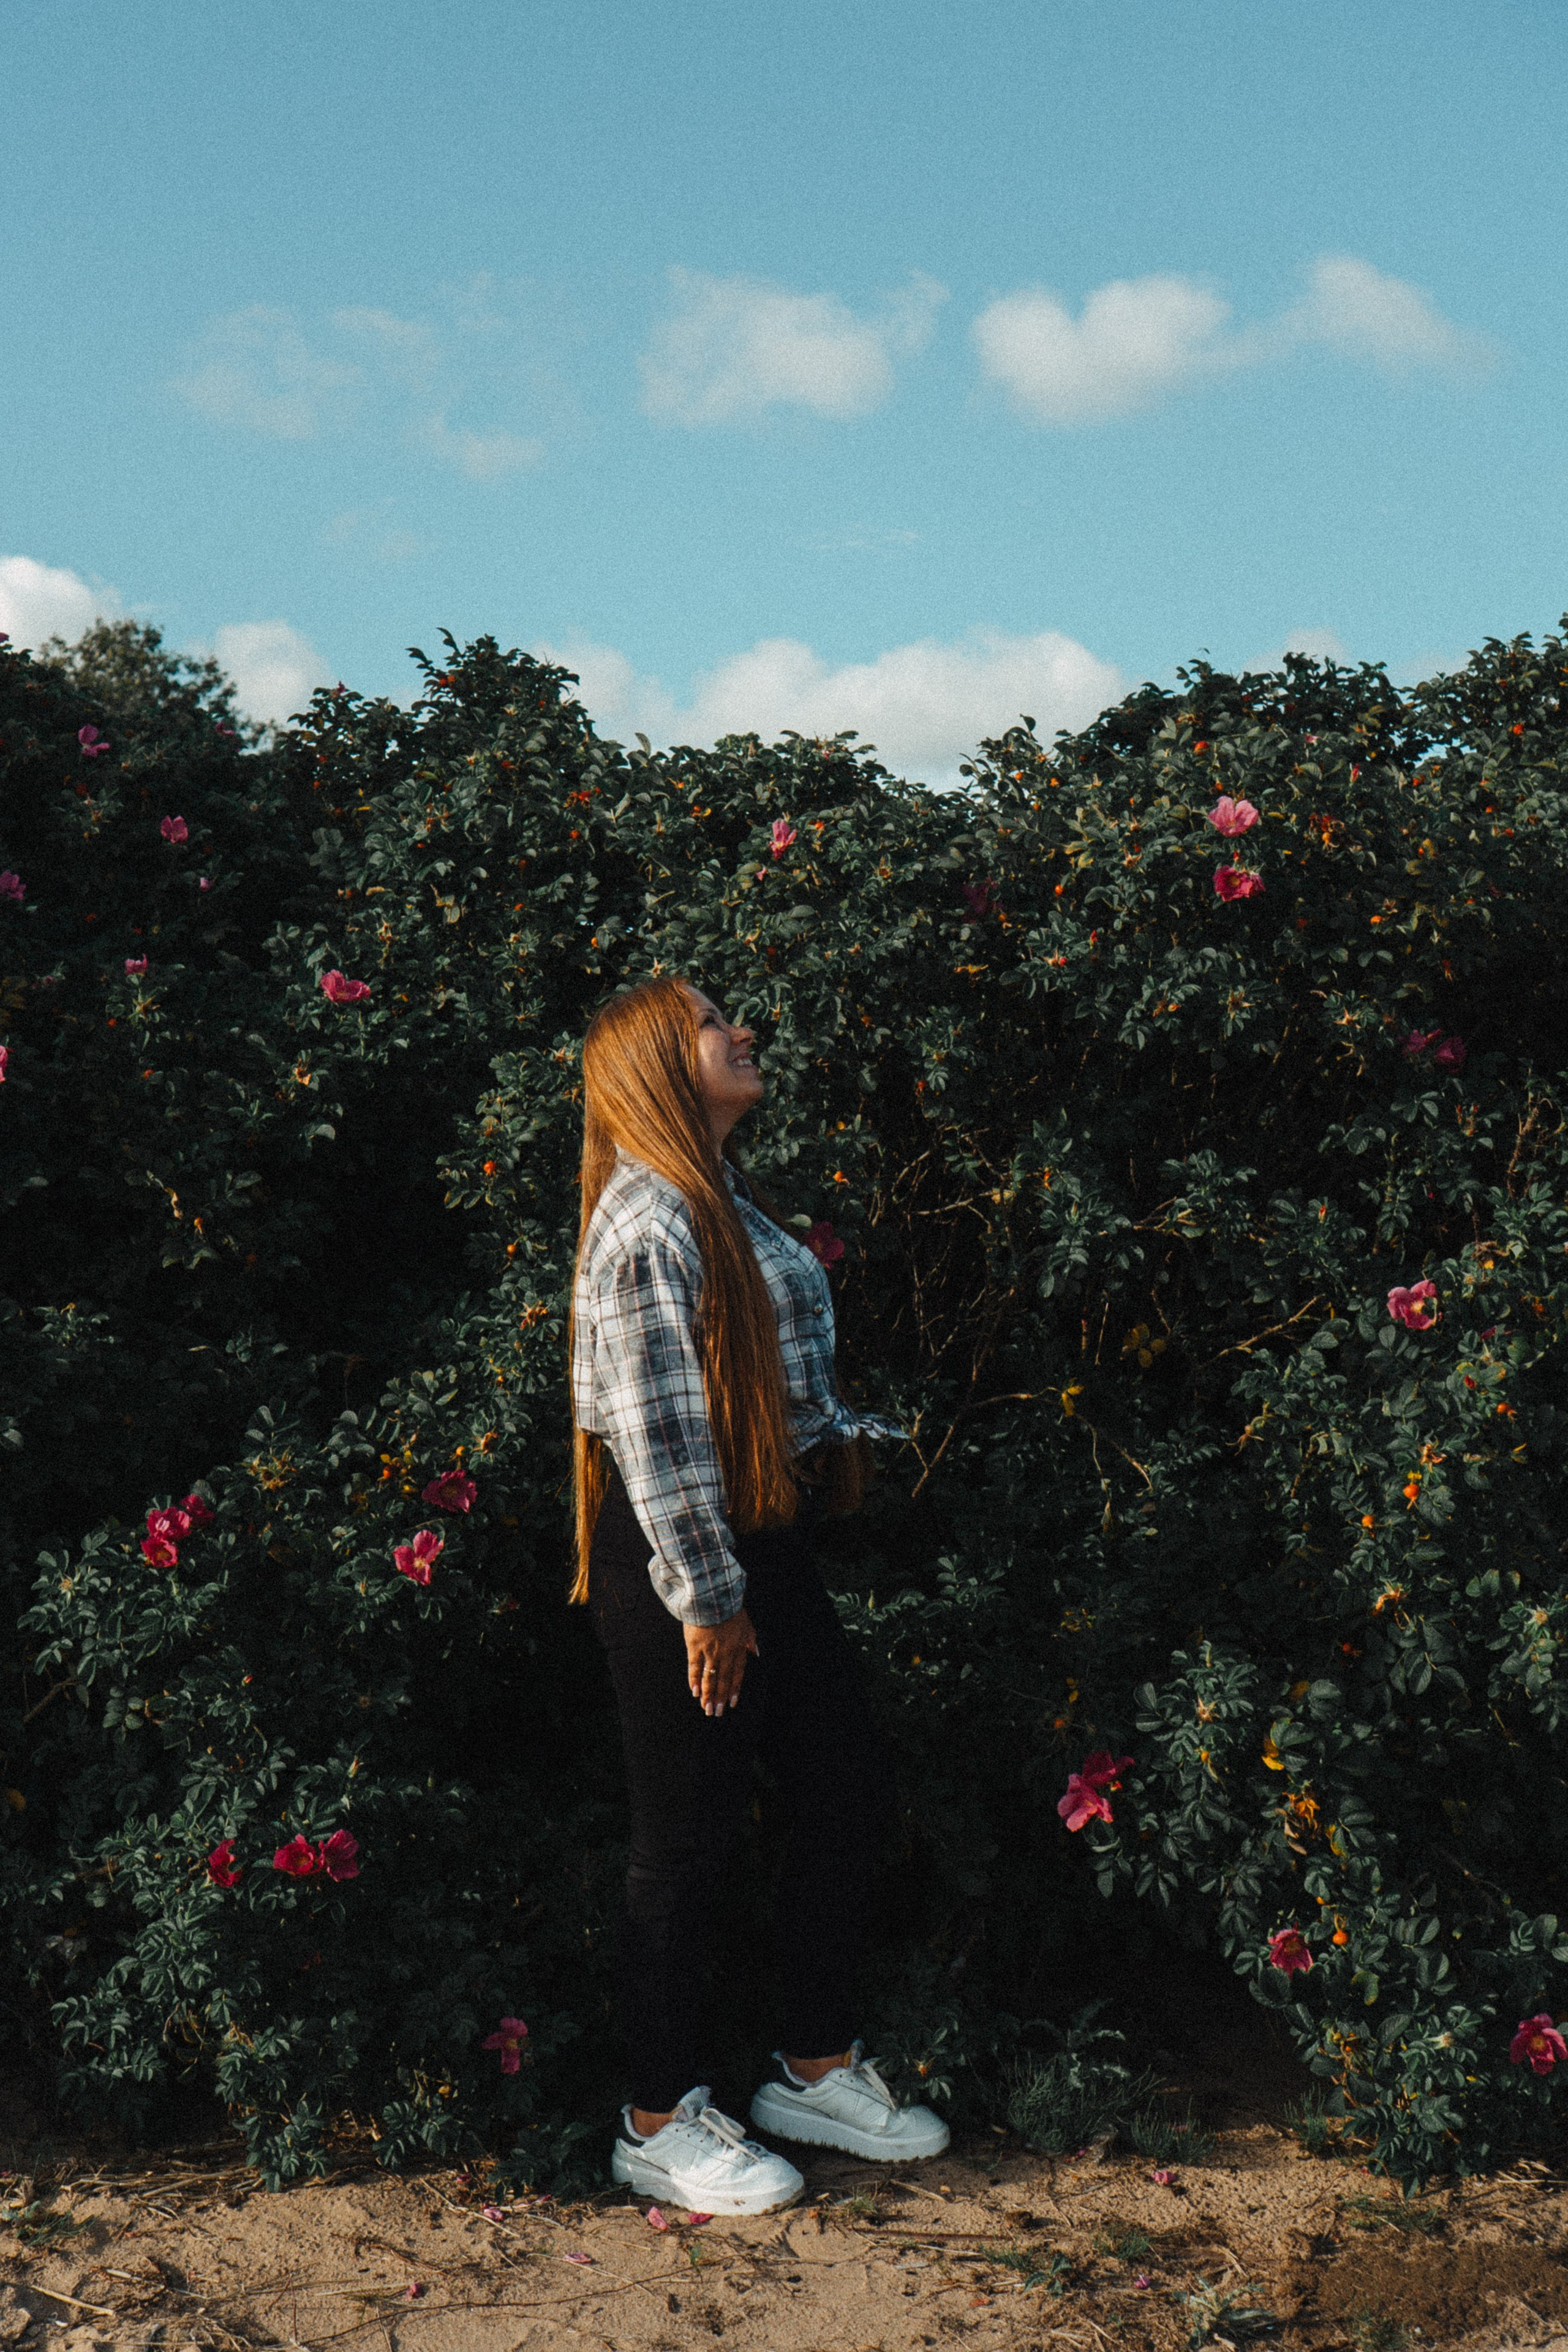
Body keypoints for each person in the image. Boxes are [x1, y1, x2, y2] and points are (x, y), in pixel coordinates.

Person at [568, 973, 949, 2214]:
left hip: (755, 1541)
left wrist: (853, 1438)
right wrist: (707, 1601)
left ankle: (810, 2063)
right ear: (652, 1070)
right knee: (683, 1840)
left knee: (844, 1785)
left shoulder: (719, 1199)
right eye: (710, 1024)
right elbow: (657, 1441)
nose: (742, 1034)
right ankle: (652, 2117)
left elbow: (773, 1380)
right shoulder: (647, 1226)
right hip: (681, 1561)